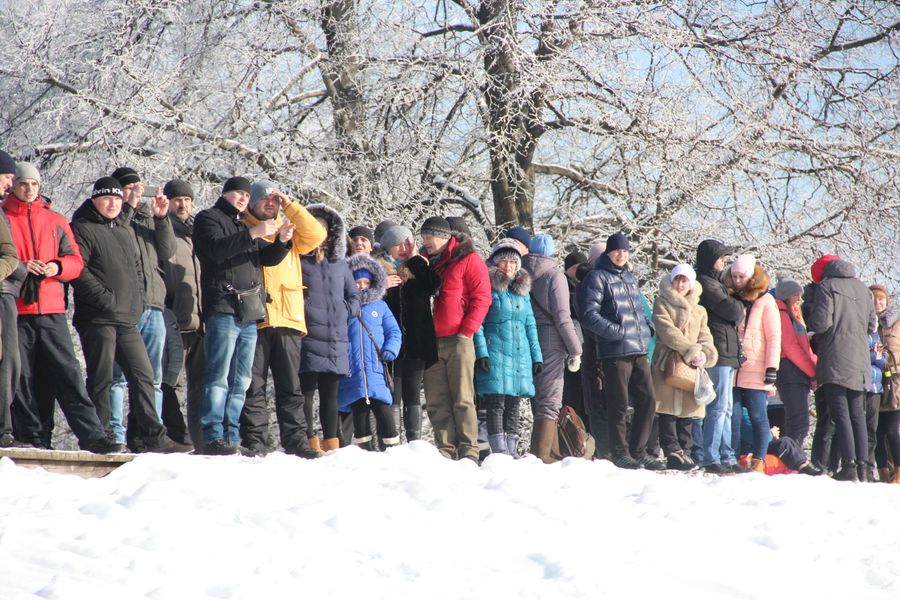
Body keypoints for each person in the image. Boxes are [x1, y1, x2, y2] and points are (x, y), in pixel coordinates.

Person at [71, 176, 189, 453]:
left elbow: (139, 267)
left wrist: (134, 303)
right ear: (95, 200)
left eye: (116, 199)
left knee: (144, 375)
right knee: (102, 378)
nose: (113, 204)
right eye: (107, 199)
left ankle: (153, 435)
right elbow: (79, 270)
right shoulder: (82, 228)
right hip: (97, 318)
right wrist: (105, 299)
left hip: (127, 318)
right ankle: (98, 436)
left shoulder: (122, 229)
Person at [192, 176, 294, 455]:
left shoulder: (243, 225)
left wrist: (283, 242)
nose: (242, 199)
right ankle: (213, 434)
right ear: (225, 194)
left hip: (249, 312)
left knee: (241, 380)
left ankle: (231, 435)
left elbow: (266, 258)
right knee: (218, 375)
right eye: (238, 193)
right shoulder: (208, 218)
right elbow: (215, 250)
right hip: (223, 308)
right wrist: (252, 233)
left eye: (246, 196)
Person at [239, 181, 326, 458]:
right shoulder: (244, 229)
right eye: (264, 198)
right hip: (254, 319)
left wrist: (290, 204)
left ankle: (297, 441)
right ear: (251, 202)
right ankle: (255, 440)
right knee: (253, 386)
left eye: (274, 200)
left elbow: (317, 234)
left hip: (287, 318)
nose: (270, 203)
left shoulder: (289, 232)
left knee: (291, 386)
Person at [578, 233, 663, 470]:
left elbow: (639, 311)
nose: (621, 254)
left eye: (625, 251)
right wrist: (616, 332)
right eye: (617, 251)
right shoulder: (597, 277)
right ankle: (620, 452)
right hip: (614, 351)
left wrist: (648, 330)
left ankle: (638, 450)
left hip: (638, 349)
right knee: (619, 403)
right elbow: (588, 315)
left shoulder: (629, 277)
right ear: (608, 252)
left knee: (647, 400)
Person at [108, 167, 177, 449]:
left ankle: (151, 434)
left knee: (154, 378)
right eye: (129, 187)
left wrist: (161, 218)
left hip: (154, 305)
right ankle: (114, 433)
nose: (136, 191)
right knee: (118, 377)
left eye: (139, 186)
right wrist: (129, 206)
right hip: (125, 309)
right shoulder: (112, 218)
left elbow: (168, 250)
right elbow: (115, 241)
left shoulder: (148, 217)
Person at [420, 216, 491, 461]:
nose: (425, 242)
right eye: (423, 237)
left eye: (430, 237)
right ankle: (445, 450)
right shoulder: (424, 263)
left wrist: (467, 330)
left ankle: (469, 450)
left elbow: (482, 298)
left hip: (458, 339)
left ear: (444, 237)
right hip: (429, 340)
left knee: (462, 398)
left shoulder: (469, 260)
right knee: (436, 399)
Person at [807, 258, 877, 481]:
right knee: (858, 414)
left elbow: (821, 324)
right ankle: (864, 468)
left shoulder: (827, 287)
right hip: (860, 359)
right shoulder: (864, 289)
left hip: (835, 358)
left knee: (841, 414)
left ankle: (849, 466)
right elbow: (871, 325)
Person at [300, 204, 360, 454]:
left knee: (330, 395)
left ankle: (332, 444)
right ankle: (309, 442)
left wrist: (344, 311)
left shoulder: (341, 264)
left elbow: (354, 296)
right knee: (304, 393)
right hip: (307, 335)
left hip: (335, 337)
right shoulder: (298, 259)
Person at [474, 239, 543, 457]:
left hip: (519, 355)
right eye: (503, 261)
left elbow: (531, 325)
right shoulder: (487, 288)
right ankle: (499, 450)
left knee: (514, 404)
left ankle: (511, 449)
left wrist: (536, 356)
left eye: (512, 263)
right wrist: (482, 352)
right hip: (496, 353)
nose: (508, 266)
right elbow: (478, 324)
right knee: (496, 403)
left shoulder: (522, 292)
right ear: (495, 263)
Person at [651, 264, 718, 470]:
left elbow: (705, 336)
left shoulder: (700, 310)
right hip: (667, 362)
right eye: (677, 279)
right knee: (667, 409)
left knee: (689, 410)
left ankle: (686, 452)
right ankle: (672, 451)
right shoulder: (661, 302)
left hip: (691, 367)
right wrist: (690, 350)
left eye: (684, 280)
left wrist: (705, 354)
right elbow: (667, 331)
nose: (680, 284)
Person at [377, 224, 440, 442]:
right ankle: (391, 442)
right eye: (398, 244)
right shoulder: (378, 269)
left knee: (412, 394)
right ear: (387, 247)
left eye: (407, 242)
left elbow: (434, 285)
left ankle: (415, 443)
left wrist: (414, 257)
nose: (404, 247)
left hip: (417, 342)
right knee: (392, 394)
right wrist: (381, 286)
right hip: (389, 344)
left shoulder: (419, 266)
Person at [522, 233, 580, 463]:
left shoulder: (520, 272)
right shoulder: (555, 276)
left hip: (526, 339)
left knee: (537, 398)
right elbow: (562, 317)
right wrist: (575, 349)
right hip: (550, 340)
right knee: (550, 399)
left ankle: (552, 452)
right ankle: (542, 455)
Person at [339, 253, 402, 447]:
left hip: (376, 369)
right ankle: (364, 452)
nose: (362, 286)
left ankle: (391, 449)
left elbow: (394, 331)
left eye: (366, 282)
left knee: (384, 413)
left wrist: (390, 350)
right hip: (353, 373)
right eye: (357, 282)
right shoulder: (344, 308)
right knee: (360, 418)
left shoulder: (380, 306)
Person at [725, 254, 780, 473]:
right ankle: (736, 455)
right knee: (734, 415)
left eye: (742, 276)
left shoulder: (766, 300)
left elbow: (774, 336)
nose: (738, 280)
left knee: (758, 416)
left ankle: (759, 458)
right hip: (736, 368)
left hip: (757, 368)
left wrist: (771, 367)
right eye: (735, 276)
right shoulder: (732, 298)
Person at [695, 239, 745, 474]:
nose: (724, 262)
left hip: (725, 350)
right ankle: (712, 455)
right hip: (718, 351)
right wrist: (738, 305)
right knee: (719, 407)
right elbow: (733, 310)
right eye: (720, 258)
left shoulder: (715, 283)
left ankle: (726, 454)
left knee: (725, 407)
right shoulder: (707, 283)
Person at [161, 179, 204, 448]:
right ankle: (174, 436)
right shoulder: (161, 229)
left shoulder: (198, 233)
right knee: (170, 380)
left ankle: (199, 441)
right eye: (177, 199)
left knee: (201, 384)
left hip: (200, 319)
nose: (183, 204)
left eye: (187, 199)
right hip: (173, 318)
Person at [0, 150, 26, 447]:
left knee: (8, 362)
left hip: (3, 296)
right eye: (7, 177)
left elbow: (9, 255)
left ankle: (4, 430)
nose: (10, 184)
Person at [773, 278, 817, 446]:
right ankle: (793, 460)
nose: (800, 300)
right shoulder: (782, 314)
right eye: (796, 296)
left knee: (795, 421)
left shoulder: (794, 316)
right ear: (787, 297)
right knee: (799, 423)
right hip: (791, 372)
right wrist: (813, 371)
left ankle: (791, 460)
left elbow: (804, 349)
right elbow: (791, 348)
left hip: (796, 372)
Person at [870, 284, 899, 483]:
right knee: (876, 431)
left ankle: (898, 471)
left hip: (896, 382)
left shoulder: (896, 323)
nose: (877, 302)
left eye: (881, 299)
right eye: (873, 299)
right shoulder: (867, 324)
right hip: (876, 381)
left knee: (893, 430)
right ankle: (883, 472)